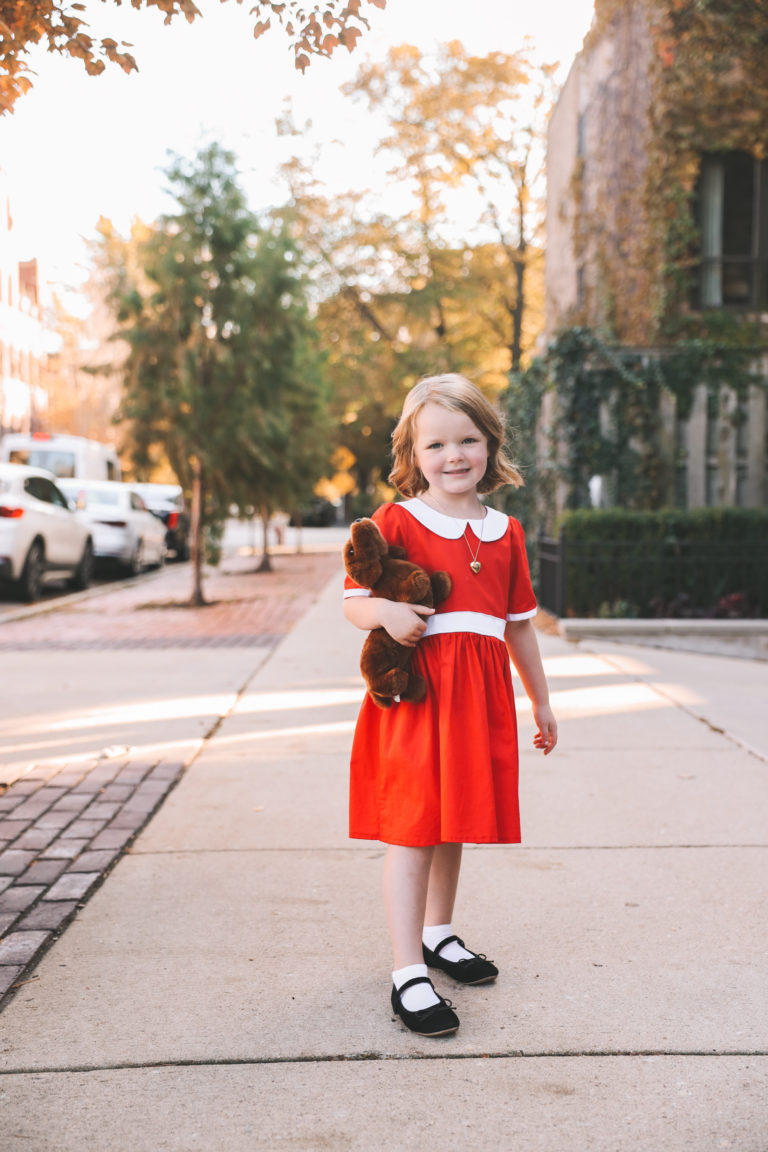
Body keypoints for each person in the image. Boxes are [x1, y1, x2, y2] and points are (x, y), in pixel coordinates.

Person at [343, 373, 558, 1038]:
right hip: (419, 699)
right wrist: (385, 610)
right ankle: (408, 971)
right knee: (413, 828)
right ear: (414, 453)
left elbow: (519, 624)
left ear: (490, 446)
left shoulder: (508, 532)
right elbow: (353, 601)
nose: (454, 455)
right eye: (436, 444)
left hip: (479, 701)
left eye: (468, 439)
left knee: (453, 820)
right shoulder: (396, 521)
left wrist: (541, 704)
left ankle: (439, 933)